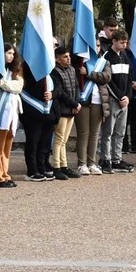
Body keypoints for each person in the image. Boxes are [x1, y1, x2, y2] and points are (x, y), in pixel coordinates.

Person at [0, 43, 23, 187]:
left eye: (13, 54)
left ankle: (4, 173)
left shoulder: (15, 71)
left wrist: (2, 83)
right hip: (0, 110)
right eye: (8, 53)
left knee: (7, 144)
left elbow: (18, 86)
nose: (11, 56)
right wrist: (3, 83)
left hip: (12, 110)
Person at [99, 29, 133, 174]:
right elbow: (108, 81)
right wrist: (119, 96)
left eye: (125, 42)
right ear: (113, 41)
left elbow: (130, 78)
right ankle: (105, 159)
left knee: (120, 132)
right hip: (113, 100)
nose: (124, 45)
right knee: (108, 131)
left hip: (124, 101)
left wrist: (127, 97)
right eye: (121, 42)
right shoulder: (107, 57)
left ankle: (116, 159)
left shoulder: (125, 56)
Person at [75, 39, 111, 176]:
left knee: (94, 134)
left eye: (97, 45)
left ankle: (92, 163)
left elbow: (106, 77)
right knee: (83, 133)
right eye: (93, 45)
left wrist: (89, 74)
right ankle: (81, 163)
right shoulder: (80, 62)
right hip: (84, 101)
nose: (96, 48)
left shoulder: (103, 61)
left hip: (98, 100)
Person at [51, 46, 81, 180]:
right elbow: (60, 92)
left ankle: (64, 165)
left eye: (69, 56)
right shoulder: (55, 71)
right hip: (62, 109)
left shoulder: (72, 69)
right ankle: (56, 166)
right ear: (57, 59)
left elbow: (76, 87)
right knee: (59, 139)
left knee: (64, 140)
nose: (68, 59)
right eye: (65, 57)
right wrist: (73, 103)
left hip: (72, 109)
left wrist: (77, 103)